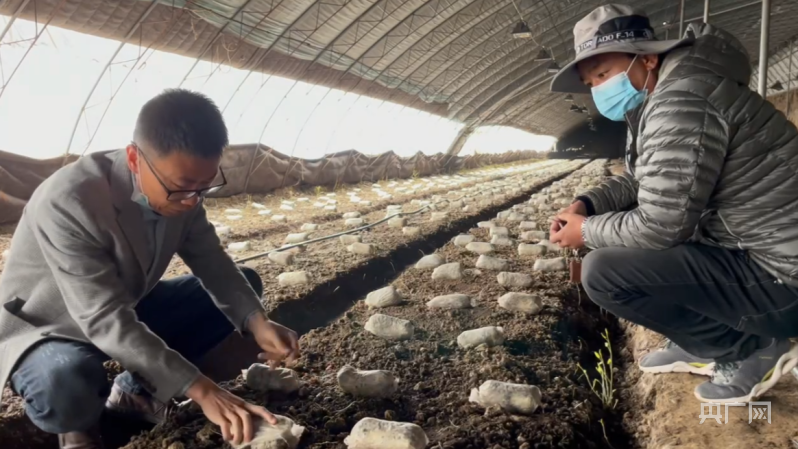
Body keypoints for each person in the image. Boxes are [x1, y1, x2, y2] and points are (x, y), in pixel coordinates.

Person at [0, 89, 300, 448]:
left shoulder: (186, 195)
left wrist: (257, 321)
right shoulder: (71, 199)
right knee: (66, 382)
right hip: (50, 326)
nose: (192, 199)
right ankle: (77, 430)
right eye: (181, 187)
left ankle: (135, 394)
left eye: (204, 187)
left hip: (125, 304)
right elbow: (102, 318)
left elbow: (213, 263)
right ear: (133, 158)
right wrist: (199, 387)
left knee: (241, 288)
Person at [549, 4, 798, 404]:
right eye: (591, 80)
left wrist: (587, 231)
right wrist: (587, 204)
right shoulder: (673, 90)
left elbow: (661, 225)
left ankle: (749, 347)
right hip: (762, 251)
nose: (598, 88)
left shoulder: (680, 100)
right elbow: (646, 176)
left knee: (603, 271)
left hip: (783, 276)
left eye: (604, 72)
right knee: (628, 243)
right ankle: (702, 340)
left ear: (647, 57)